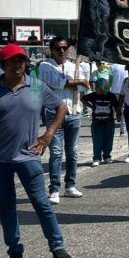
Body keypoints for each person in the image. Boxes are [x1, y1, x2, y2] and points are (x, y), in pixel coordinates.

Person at [0, 44, 72, 258]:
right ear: (2, 65)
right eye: (13, 61)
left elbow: (61, 107)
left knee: (41, 203)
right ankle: (14, 252)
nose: (18, 65)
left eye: (21, 61)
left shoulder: (34, 87)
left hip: (28, 157)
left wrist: (48, 135)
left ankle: (57, 246)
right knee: (7, 206)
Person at [37, 37, 89, 202]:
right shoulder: (45, 66)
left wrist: (77, 82)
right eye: (58, 48)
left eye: (65, 48)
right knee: (56, 152)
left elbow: (84, 86)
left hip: (74, 111)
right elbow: (55, 82)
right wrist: (77, 81)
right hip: (54, 114)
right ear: (52, 50)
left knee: (72, 152)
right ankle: (54, 188)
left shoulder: (75, 66)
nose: (62, 51)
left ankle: (70, 186)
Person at [82, 74, 117, 166]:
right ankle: (97, 158)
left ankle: (107, 156)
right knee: (97, 141)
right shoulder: (93, 96)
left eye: (97, 87)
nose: (96, 89)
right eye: (95, 87)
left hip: (109, 122)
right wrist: (91, 106)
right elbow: (83, 99)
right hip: (96, 122)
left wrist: (118, 114)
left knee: (108, 140)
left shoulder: (111, 96)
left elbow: (117, 106)